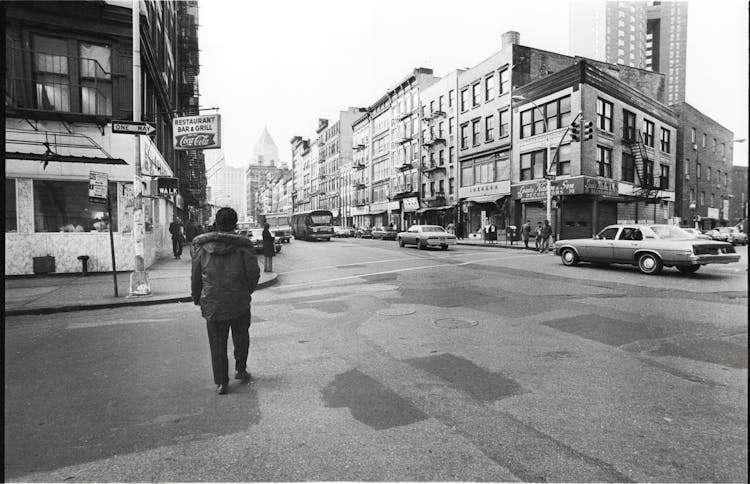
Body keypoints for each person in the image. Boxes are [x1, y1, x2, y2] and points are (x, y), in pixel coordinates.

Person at [191, 207, 260, 395]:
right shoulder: (244, 247)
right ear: (235, 223)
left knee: (217, 343)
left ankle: (221, 382)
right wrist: (246, 292)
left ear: (216, 223)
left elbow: (196, 276)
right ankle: (240, 369)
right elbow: (253, 274)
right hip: (239, 302)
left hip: (212, 303)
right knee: (241, 338)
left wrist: (197, 298)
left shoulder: (202, 248)